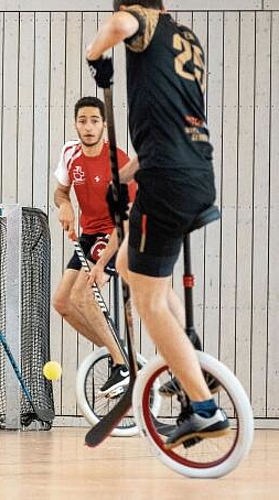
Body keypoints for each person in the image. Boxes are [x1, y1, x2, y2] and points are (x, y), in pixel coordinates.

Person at [86, 0, 228, 446]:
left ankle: (203, 406)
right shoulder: (186, 38)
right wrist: (120, 179)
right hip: (194, 173)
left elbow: (119, 24)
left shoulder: (141, 21)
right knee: (131, 268)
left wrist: (96, 58)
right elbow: (164, 135)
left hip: (166, 183)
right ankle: (186, 356)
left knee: (146, 301)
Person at [53, 96, 136, 396]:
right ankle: (116, 352)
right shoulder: (70, 153)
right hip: (88, 234)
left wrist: (102, 266)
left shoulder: (119, 162)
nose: (88, 127)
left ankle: (122, 366)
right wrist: (64, 206)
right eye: (82, 120)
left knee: (85, 293)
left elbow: (125, 221)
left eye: (94, 121)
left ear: (104, 125)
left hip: (116, 233)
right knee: (62, 302)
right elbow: (61, 192)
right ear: (75, 123)